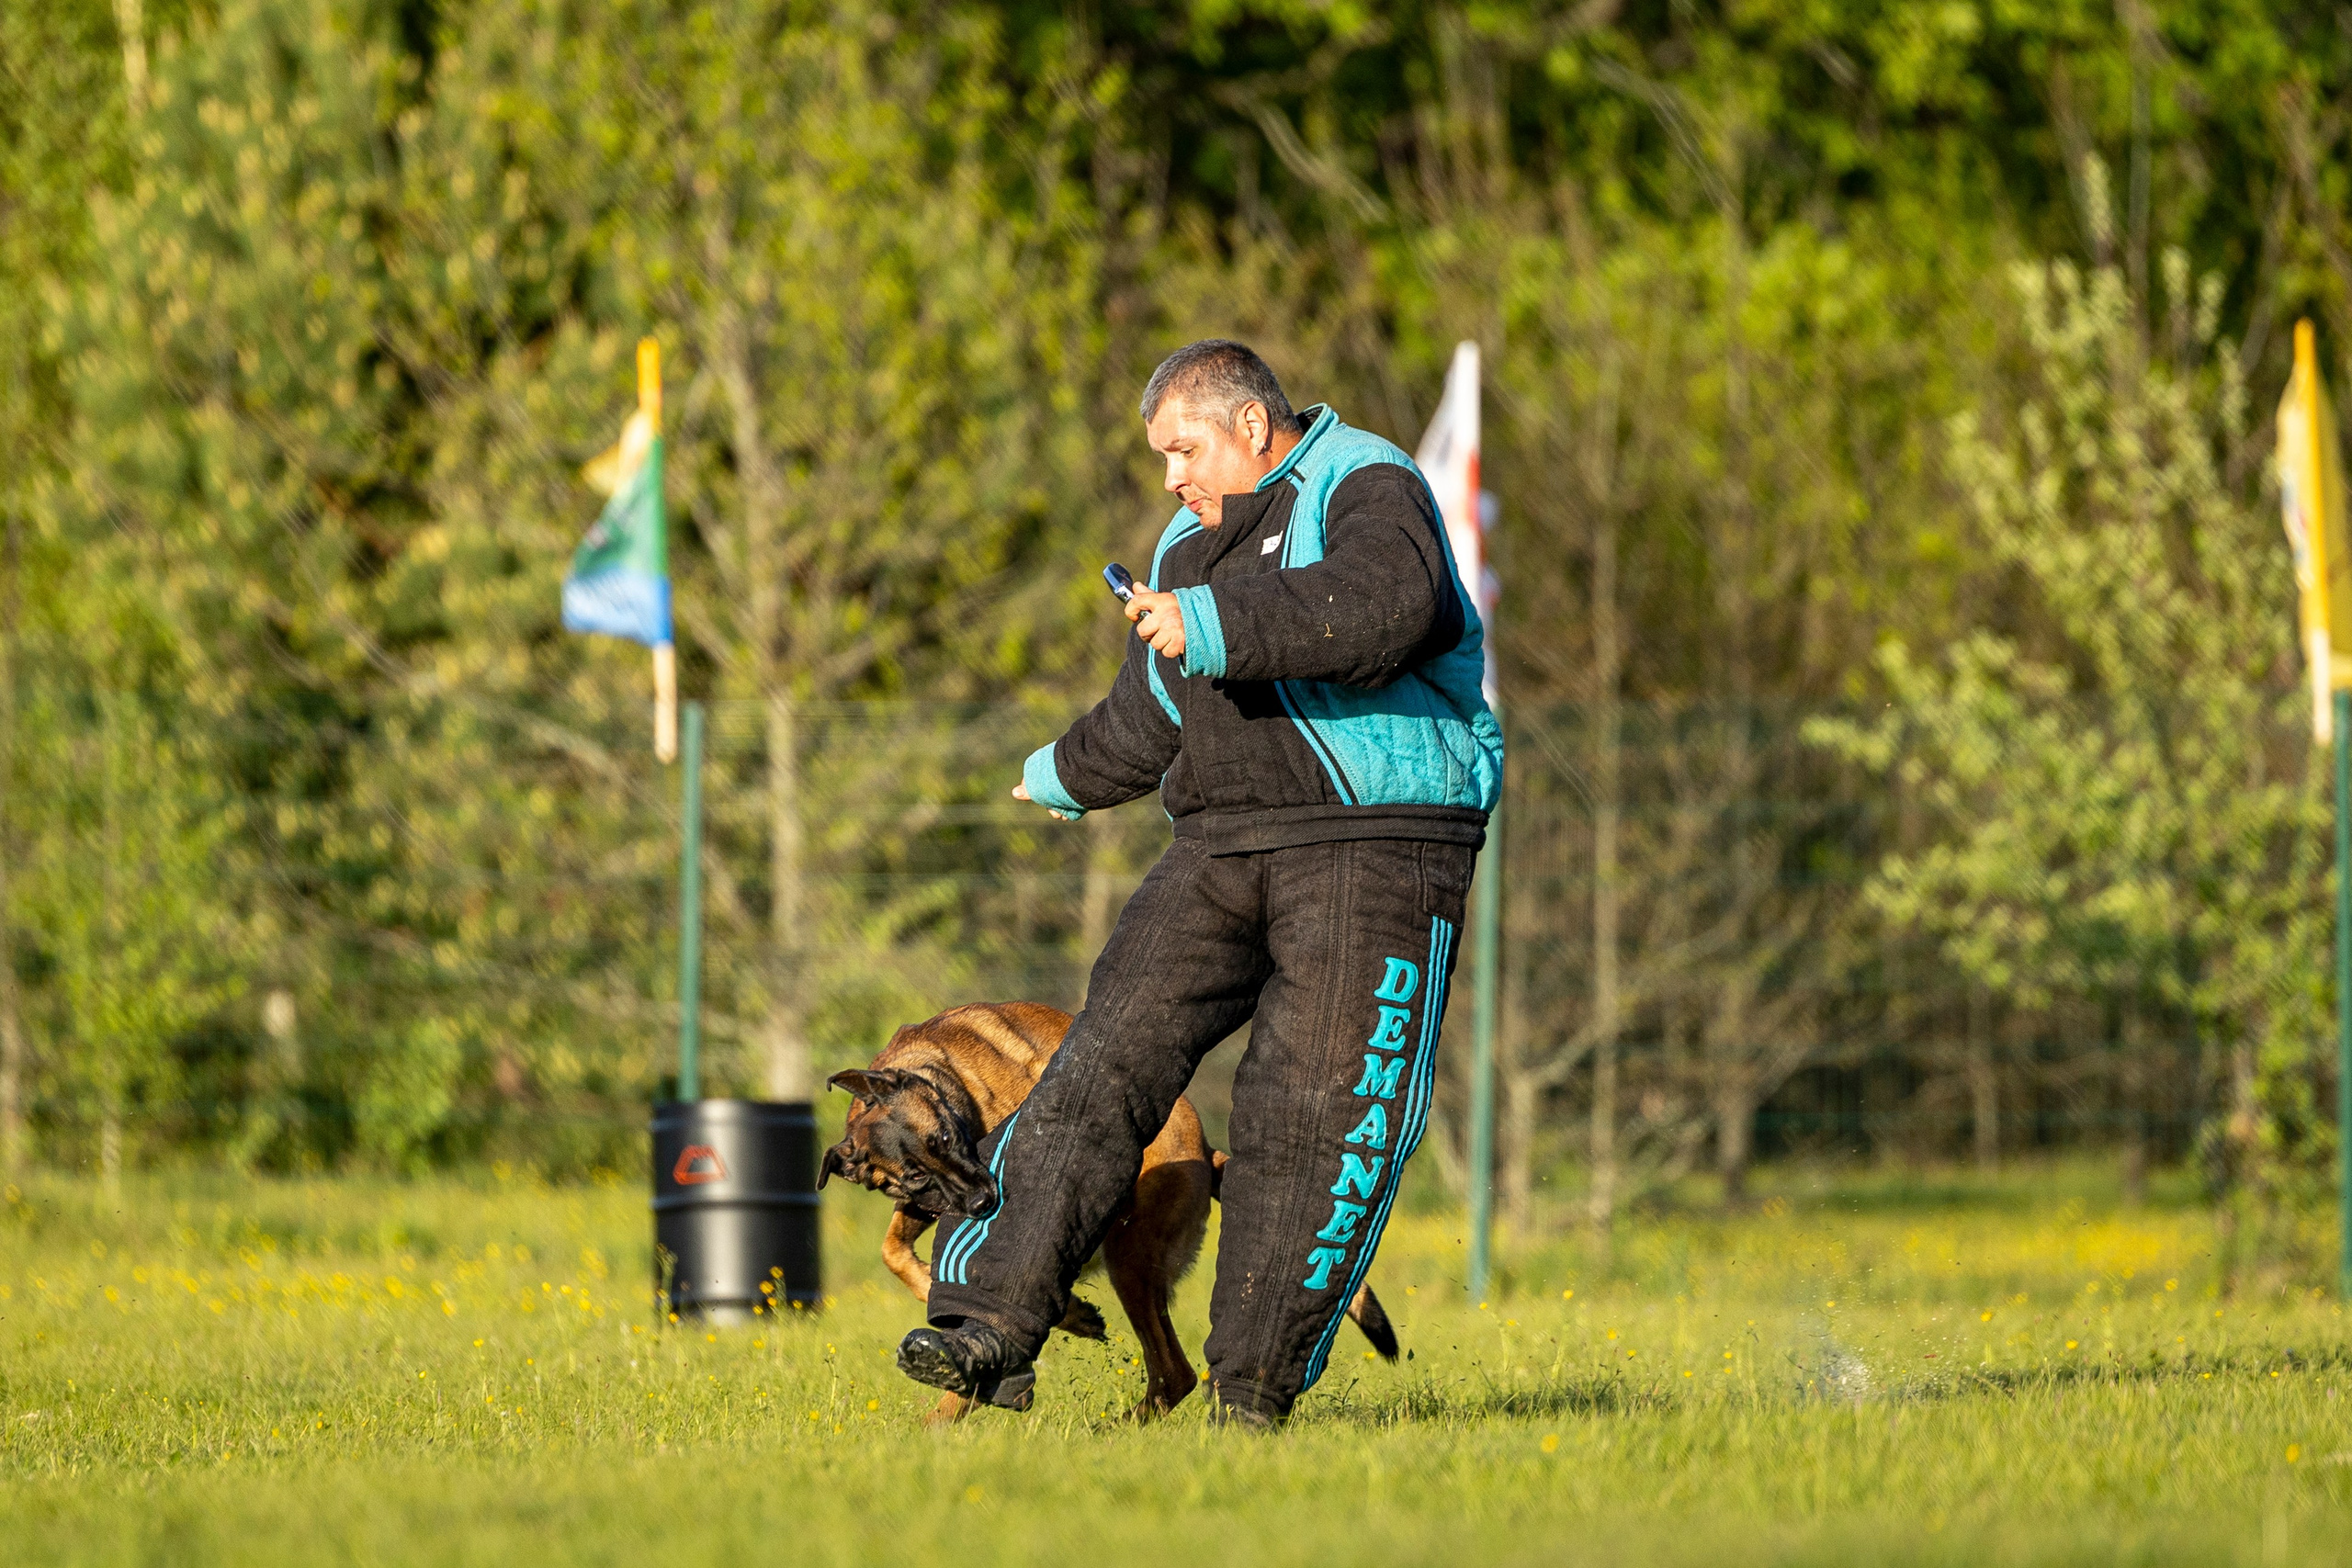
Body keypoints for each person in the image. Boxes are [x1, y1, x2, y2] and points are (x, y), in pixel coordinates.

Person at [896, 339, 1502, 1426]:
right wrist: (1058, 775)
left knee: (1310, 1115)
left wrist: (1212, 624)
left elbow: (1382, 610)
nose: (1171, 477)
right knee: (1095, 1067)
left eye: (1183, 449)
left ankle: (1250, 1393)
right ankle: (984, 1326)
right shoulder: (1187, 543)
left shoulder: (1366, 484)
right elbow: (1156, 708)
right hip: (1223, 843)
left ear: (1251, 427)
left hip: (1376, 838)